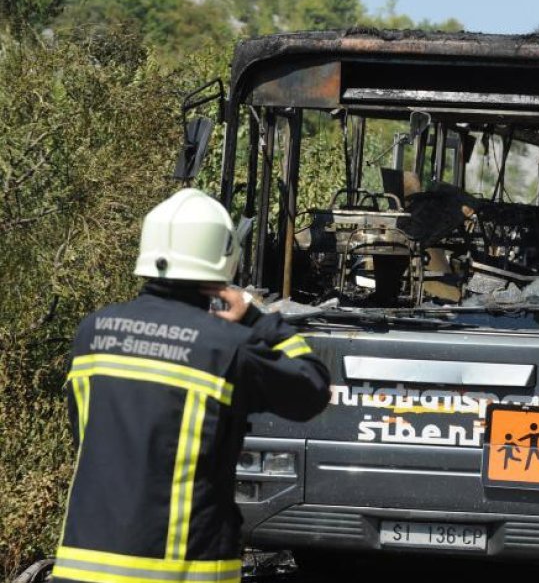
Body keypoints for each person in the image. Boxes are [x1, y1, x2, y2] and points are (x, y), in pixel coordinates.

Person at [51, 188, 330, 583]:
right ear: (224, 260)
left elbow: (90, 440)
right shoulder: (225, 347)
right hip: (182, 570)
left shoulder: (92, 333)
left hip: (81, 565)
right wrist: (258, 319)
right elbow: (312, 389)